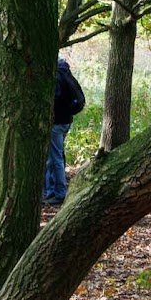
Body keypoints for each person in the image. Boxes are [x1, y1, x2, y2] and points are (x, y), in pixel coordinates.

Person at [46, 56, 86, 207]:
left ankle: (59, 193)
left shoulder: (56, 76)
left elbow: (55, 100)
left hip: (56, 122)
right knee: (55, 156)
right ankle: (51, 191)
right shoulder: (66, 73)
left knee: (55, 158)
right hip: (66, 121)